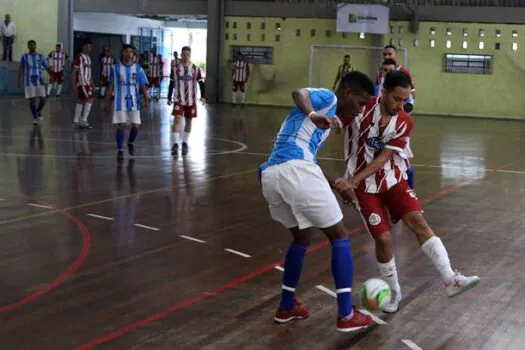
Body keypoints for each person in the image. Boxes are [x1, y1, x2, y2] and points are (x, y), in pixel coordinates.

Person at [333, 70, 480, 314]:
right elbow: (336, 120)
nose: (401, 105)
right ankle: (393, 291)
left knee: (419, 223)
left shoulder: (404, 121)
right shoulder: (361, 107)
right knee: (383, 239)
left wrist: (352, 180)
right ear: (384, 93)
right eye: (397, 99)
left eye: (405, 100)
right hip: (365, 190)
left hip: (393, 180)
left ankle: (450, 279)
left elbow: (383, 158)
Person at [260, 71, 375, 332]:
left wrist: (335, 184)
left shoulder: (326, 123)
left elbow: (304, 159)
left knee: (301, 238)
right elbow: (298, 92)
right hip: (294, 170)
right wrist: (313, 114)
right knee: (340, 237)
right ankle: (346, 314)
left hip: (271, 175)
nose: (360, 110)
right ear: (348, 93)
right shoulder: (329, 99)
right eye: (360, 102)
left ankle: (287, 306)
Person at [104, 44, 150, 160]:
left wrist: (147, 100)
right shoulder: (115, 68)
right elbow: (110, 86)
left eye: (130, 52)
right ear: (122, 53)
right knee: (121, 125)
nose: (128, 54)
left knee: (136, 125)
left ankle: (130, 142)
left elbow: (143, 86)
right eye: (126, 51)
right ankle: (120, 150)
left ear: (133, 54)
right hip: (120, 100)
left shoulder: (138, 68)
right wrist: (107, 102)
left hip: (134, 100)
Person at [382, 45, 416, 189]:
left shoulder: (403, 73)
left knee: (403, 153)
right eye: (385, 54)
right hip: (383, 116)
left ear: (395, 54)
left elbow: (411, 93)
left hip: (397, 118)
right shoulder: (382, 73)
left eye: (389, 53)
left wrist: (407, 109)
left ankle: (409, 187)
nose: (387, 56)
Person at [170, 46, 205, 156]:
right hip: (178, 98)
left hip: (191, 100)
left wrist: (203, 96)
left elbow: (201, 83)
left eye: (187, 54)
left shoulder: (195, 68)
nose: (185, 56)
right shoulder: (175, 68)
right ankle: (175, 144)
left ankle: (184, 142)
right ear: (181, 55)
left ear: (190, 55)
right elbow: (171, 83)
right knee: (177, 119)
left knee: (189, 121)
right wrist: (168, 97)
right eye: (184, 54)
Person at [17, 40, 51, 125]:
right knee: (32, 100)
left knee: (43, 99)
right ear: (28, 47)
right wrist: (18, 80)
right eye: (30, 45)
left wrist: (52, 77)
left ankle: (38, 111)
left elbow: (47, 67)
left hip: (39, 81)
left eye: (33, 45)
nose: (32, 47)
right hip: (29, 82)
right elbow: (20, 68)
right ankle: (35, 118)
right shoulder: (24, 57)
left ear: (35, 46)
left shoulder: (41, 56)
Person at [72, 39, 94, 129]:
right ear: (83, 47)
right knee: (90, 99)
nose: (89, 49)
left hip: (88, 83)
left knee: (80, 100)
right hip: (82, 83)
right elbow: (74, 72)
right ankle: (83, 120)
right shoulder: (79, 57)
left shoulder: (88, 58)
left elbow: (88, 71)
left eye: (90, 47)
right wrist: (73, 84)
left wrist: (92, 82)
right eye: (87, 47)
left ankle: (76, 121)